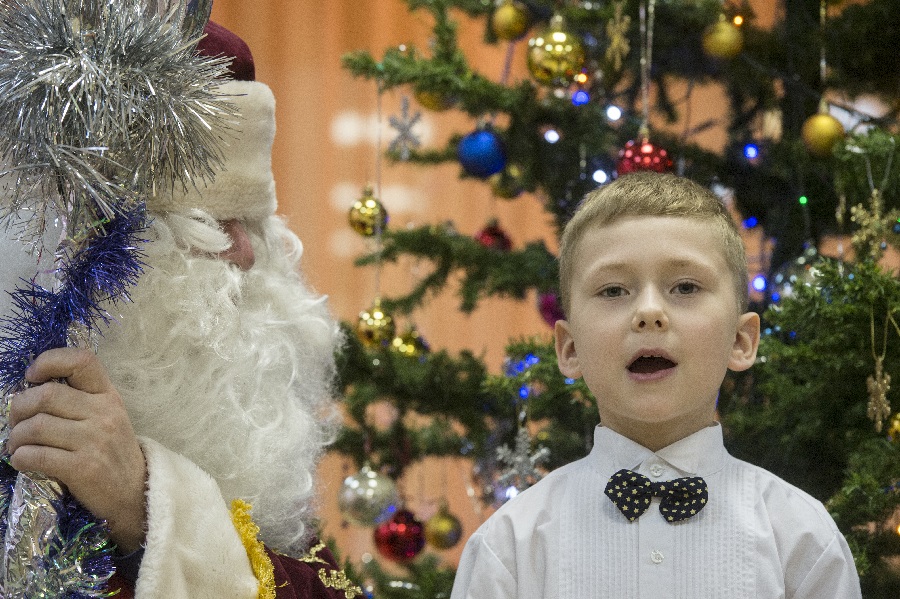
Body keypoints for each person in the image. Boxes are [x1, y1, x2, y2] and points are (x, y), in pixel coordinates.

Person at [0, 22, 360, 599]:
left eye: (254, 225)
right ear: (93, 253)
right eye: (212, 224)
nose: (244, 253)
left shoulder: (250, 470)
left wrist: (145, 506)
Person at [449, 172, 862, 598]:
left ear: (741, 341)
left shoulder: (803, 539)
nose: (649, 312)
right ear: (570, 349)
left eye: (685, 286)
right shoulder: (509, 549)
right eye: (613, 290)